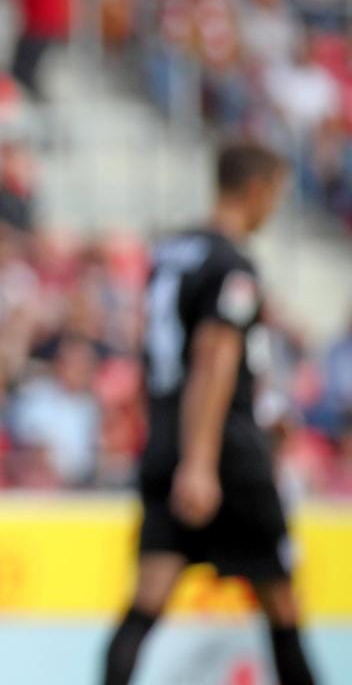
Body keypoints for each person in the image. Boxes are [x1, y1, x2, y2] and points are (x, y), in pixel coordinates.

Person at [103, 141, 318, 685]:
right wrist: (201, 461)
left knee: (149, 596)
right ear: (255, 190)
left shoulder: (172, 253)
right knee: (281, 601)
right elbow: (214, 357)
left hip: (167, 439)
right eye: (274, 194)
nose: (273, 208)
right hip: (223, 450)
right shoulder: (233, 265)